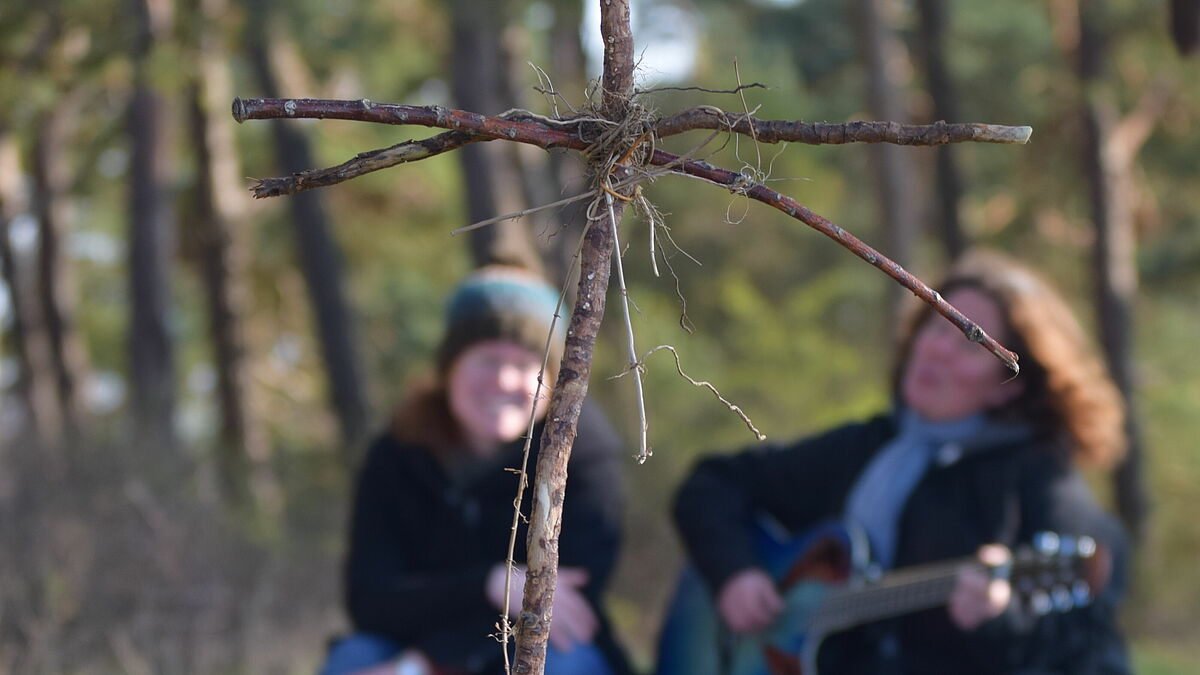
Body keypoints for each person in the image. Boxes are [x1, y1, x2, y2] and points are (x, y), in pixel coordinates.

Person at [668, 249, 1131, 674]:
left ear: (1010, 384)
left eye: (970, 343)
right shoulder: (870, 444)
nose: (937, 349)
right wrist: (735, 573)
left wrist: (1004, 620)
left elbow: (1091, 648)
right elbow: (712, 484)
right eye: (936, 325)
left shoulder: (1041, 482)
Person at [320, 265, 629, 675]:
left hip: (545, 648)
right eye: (486, 359)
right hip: (408, 643)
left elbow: (568, 605)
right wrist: (492, 585)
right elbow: (371, 599)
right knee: (353, 660)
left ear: (555, 378)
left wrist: (428, 665)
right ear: (449, 369)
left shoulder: (585, 453)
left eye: (526, 365)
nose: (504, 380)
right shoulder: (398, 452)